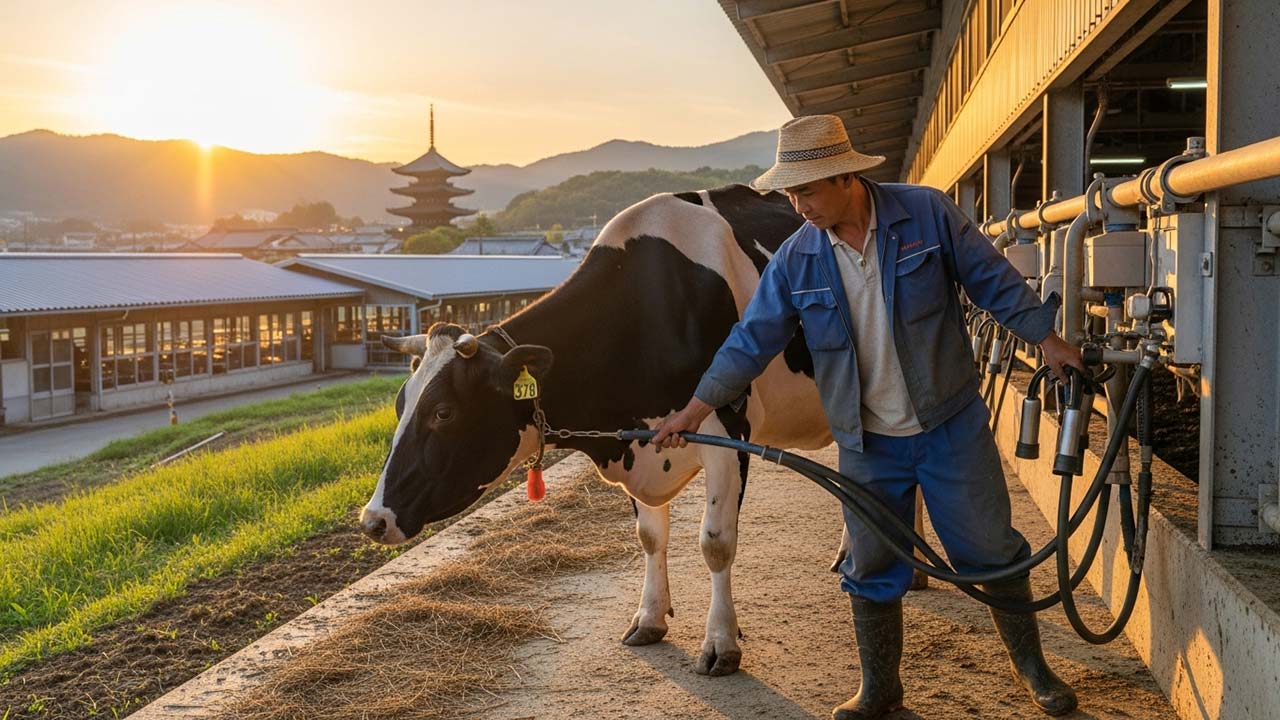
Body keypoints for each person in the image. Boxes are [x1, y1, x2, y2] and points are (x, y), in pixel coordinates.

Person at [652, 115, 1085, 719]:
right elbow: (750, 341)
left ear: (847, 177)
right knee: (872, 563)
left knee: (989, 548)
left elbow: (992, 280)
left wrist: (1047, 338)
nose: (796, 205)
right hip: (865, 440)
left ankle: (1033, 669)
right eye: (789, 193)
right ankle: (881, 688)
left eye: (806, 190)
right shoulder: (797, 259)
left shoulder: (927, 215)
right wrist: (693, 409)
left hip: (948, 424)